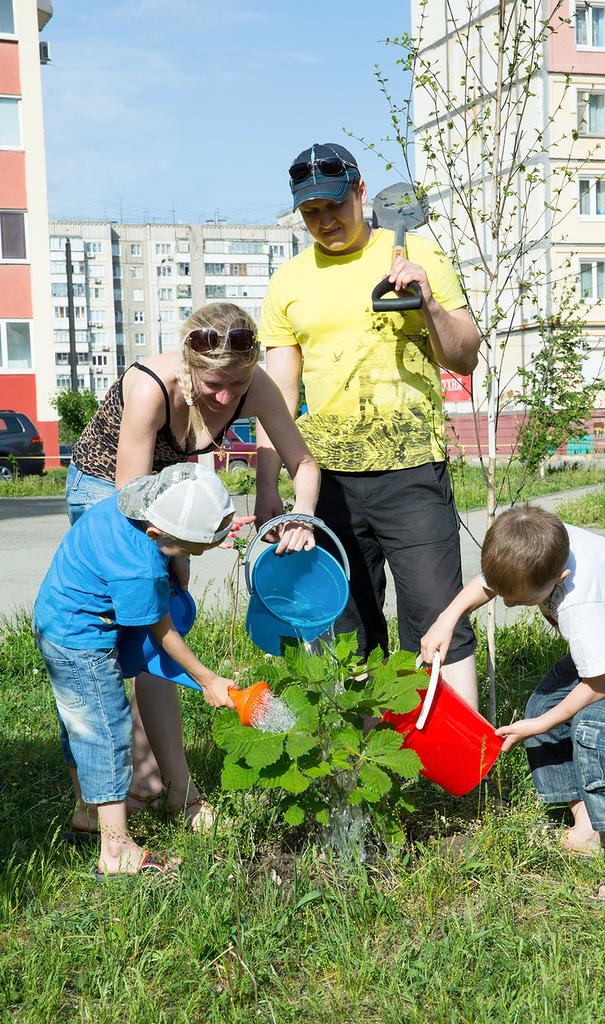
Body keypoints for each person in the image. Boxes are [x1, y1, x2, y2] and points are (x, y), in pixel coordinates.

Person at [65, 301, 319, 835]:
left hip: (170, 499)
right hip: (108, 495)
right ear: (187, 362)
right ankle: (123, 788)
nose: (226, 397)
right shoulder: (150, 387)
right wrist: (178, 554)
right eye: (212, 386)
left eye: (236, 384)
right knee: (118, 635)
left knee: (165, 624)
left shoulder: (254, 384)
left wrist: (301, 515)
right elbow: (130, 507)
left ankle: (167, 786)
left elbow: (305, 461)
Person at [257, 142, 481, 704]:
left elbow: (465, 355)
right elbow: (276, 396)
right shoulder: (288, 282)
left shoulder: (413, 253)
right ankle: (360, 770)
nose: (325, 221)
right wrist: (267, 489)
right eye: (311, 213)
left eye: (334, 205)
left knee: (437, 618)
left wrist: (426, 302)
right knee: (342, 628)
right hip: (327, 479)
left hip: (412, 474)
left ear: (360, 193)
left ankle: (460, 777)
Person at [420, 504, 605, 898]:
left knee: (596, 726)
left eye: (521, 601)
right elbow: (492, 582)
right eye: (505, 596)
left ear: (560, 578)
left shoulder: (581, 603)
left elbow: (599, 684)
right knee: (543, 706)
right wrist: (448, 618)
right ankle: (589, 828)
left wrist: (539, 728)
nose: (507, 605)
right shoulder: (535, 544)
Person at [34, 464, 242, 878]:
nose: (193, 558)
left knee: (80, 725)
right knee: (107, 730)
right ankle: (116, 851)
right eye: (190, 550)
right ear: (157, 536)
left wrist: (187, 550)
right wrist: (208, 679)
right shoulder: (139, 566)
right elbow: (160, 632)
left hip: (56, 619)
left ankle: (90, 814)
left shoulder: (135, 504)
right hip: (80, 639)